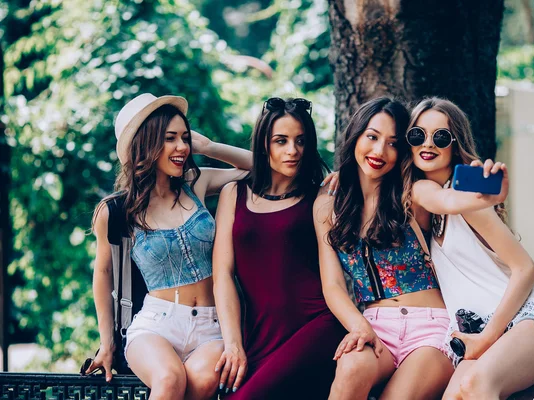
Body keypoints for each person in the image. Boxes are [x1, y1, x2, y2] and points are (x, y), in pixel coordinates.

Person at [313, 97, 507, 400]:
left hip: (431, 328)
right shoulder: (328, 205)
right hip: (373, 326)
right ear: (355, 136)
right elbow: (333, 284)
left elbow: (449, 200)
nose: (379, 151)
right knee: (350, 372)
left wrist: (485, 197)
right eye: (372, 137)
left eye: (392, 143)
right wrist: (359, 326)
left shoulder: (412, 192)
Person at [402, 97, 534, 400]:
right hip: (479, 337)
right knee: (455, 395)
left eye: (440, 137)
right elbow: (437, 199)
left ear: (455, 144)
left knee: (476, 384)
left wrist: (486, 338)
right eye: (418, 134)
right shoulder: (422, 197)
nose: (428, 144)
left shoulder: (467, 198)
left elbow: (525, 269)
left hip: (530, 320)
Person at [87, 93, 252, 400]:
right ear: (146, 144)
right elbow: (103, 273)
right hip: (156, 325)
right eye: (170, 139)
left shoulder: (196, 183)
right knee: (168, 379)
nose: (182, 147)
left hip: (213, 326)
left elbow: (259, 170)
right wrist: (107, 343)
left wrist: (209, 147)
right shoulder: (116, 211)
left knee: (202, 382)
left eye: (185, 138)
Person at [212, 97, 346, 399]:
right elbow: (222, 275)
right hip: (258, 337)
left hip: (316, 327)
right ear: (263, 144)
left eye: (300, 141)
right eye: (281, 141)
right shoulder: (234, 193)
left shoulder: (321, 196)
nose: (293, 151)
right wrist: (233, 343)